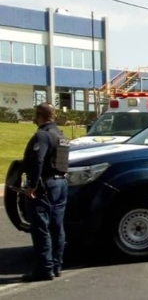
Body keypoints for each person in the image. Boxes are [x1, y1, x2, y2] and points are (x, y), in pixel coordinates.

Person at [21, 102, 70, 282]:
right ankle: (56, 266)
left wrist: (32, 185)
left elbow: (37, 161)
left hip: (46, 185)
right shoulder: (61, 135)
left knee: (41, 227)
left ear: (39, 115)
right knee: (57, 227)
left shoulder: (43, 135)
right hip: (61, 183)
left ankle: (44, 269)